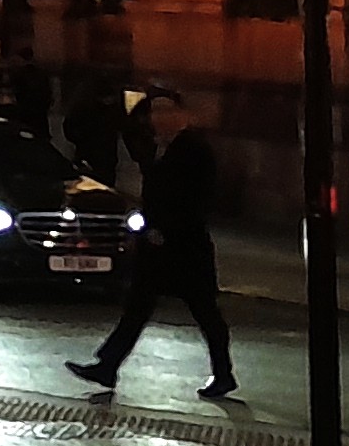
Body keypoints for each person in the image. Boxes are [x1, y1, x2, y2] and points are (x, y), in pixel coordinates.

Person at [71, 117, 239, 400]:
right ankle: (108, 365)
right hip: (164, 246)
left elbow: (195, 199)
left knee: (205, 312)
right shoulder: (164, 148)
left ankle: (223, 374)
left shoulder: (193, 151)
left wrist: (167, 230)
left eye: (163, 115)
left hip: (183, 248)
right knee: (139, 307)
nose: (156, 122)